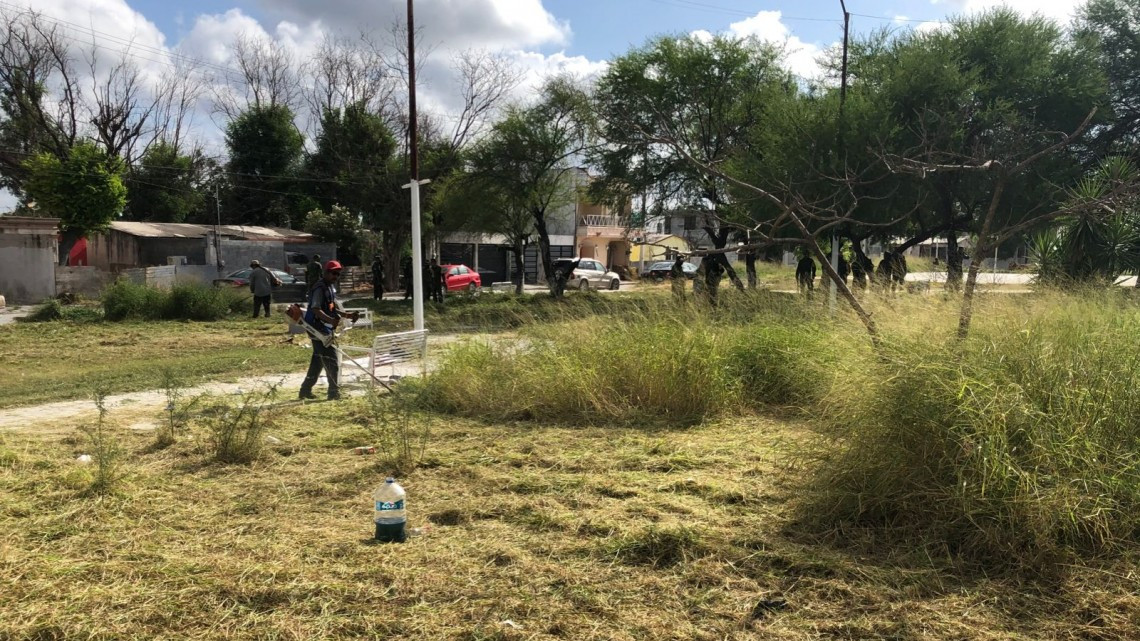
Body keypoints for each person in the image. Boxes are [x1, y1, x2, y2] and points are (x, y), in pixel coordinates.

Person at [299, 260, 358, 401]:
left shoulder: (330, 287)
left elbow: (331, 308)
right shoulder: (319, 288)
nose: (335, 277)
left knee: (318, 360)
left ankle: (305, 390)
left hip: (324, 328)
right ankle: (333, 393)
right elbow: (315, 309)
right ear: (326, 272)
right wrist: (331, 320)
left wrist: (347, 315)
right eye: (333, 274)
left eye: (338, 274)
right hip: (317, 329)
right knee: (332, 360)